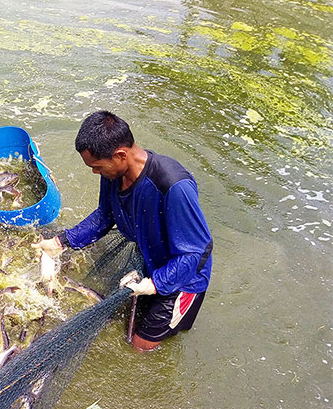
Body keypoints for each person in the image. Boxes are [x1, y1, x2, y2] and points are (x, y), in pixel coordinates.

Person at [33, 110, 212, 351]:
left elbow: (196, 252)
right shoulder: (113, 173)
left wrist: (155, 284)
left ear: (120, 155)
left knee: (139, 347)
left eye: (96, 167)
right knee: (130, 319)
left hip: (184, 279)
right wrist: (60, 241)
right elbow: (105, 216)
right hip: (153, 260)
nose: (95, 172)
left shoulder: (173, 186)